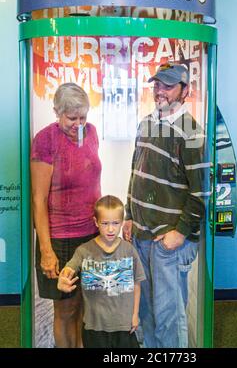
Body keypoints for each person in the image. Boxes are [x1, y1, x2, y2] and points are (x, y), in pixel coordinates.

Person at [123, 62, 210, 348]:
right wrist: (128, 215)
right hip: (141, 237)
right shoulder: (146, 122)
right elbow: (136, 172)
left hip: (168, 244)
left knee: (169, 317)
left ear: (185, 91)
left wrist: (180, 234)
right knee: (146, 313)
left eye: (168, 86)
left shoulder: (192, 134)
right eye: (157, 84)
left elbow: (202, 194)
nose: (159, 91)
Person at [31, 83, 102, 348]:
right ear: (56, 113)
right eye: (72, 118)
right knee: (65, 309)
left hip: (91, 235)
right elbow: (38, 200)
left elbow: (93, 181)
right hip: (61, 238)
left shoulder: (92, 132)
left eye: (83, 117)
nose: (79, 124)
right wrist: (46, 251)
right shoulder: (45, 139)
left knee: (85, 305)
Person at [57, 195, 146, 348]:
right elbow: (69, 268)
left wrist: (135, 315)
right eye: (105, 223)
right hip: (94, 327)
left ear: (122, 223)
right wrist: (63, 278)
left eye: (115, 223)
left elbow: (137, 284)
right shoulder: (84, 251)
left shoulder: (129, 251)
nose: (111, 229)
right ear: (96, 222)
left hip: (124, 326)